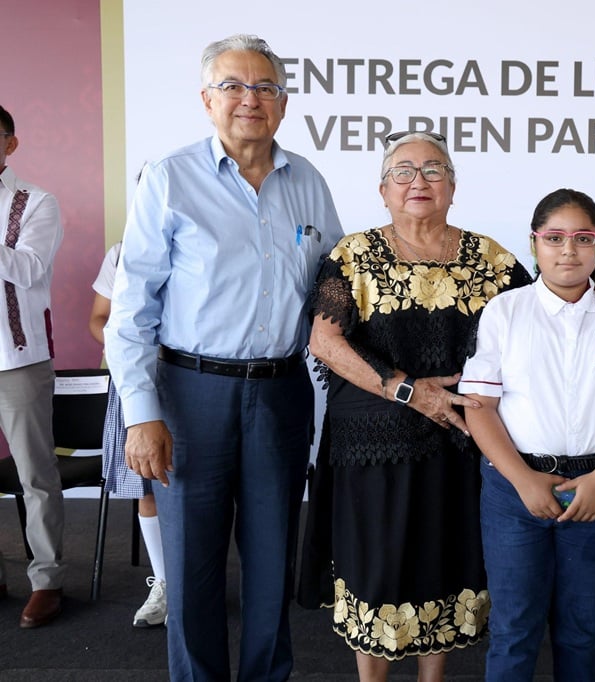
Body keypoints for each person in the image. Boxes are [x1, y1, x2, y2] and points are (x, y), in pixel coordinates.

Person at [306, 132, 595, 682]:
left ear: (453, 188)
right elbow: (326, 344)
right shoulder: (354, 254)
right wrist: (410, 390)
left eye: (434, 170)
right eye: (403, 171)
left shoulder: (490, 258)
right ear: (382, 188)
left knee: (445, 569)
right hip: (372, 449)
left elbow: (550, 294)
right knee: (377, 572)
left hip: (458, 445)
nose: (419, 182)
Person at [104, 34, 344, 680]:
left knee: (272, 565)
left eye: (265, 88)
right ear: (207, 99)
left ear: (284, 104)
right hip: (190, 395)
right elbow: (131, 311)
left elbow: (341, 284)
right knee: (192, 569)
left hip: (281, 394)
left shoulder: (309, 185)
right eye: (233, 87)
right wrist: (141, 413)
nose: (250, 100)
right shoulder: (169, 180)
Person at [458, 188, 595, 681]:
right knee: (514, 629)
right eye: (554, 238)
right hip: (515, 490)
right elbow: (481, 409)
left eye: (582, 238)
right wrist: (523, 481)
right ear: (534, 245)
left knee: (581, 628)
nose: (568, 250)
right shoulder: (505, 313)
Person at [0, 104, 66, 628]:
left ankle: (46, 579)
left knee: (35, 474)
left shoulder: (36, 201)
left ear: (10, 144)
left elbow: (29, 268)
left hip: (16, 358)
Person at [88, 241, 166, 628]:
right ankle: (165, 583)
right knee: (146, 483)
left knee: (205, 482)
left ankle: (200, 583)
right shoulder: (121, 253)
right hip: (136, 380)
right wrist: (130, 350)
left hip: (199, 376)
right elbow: (99, 317)